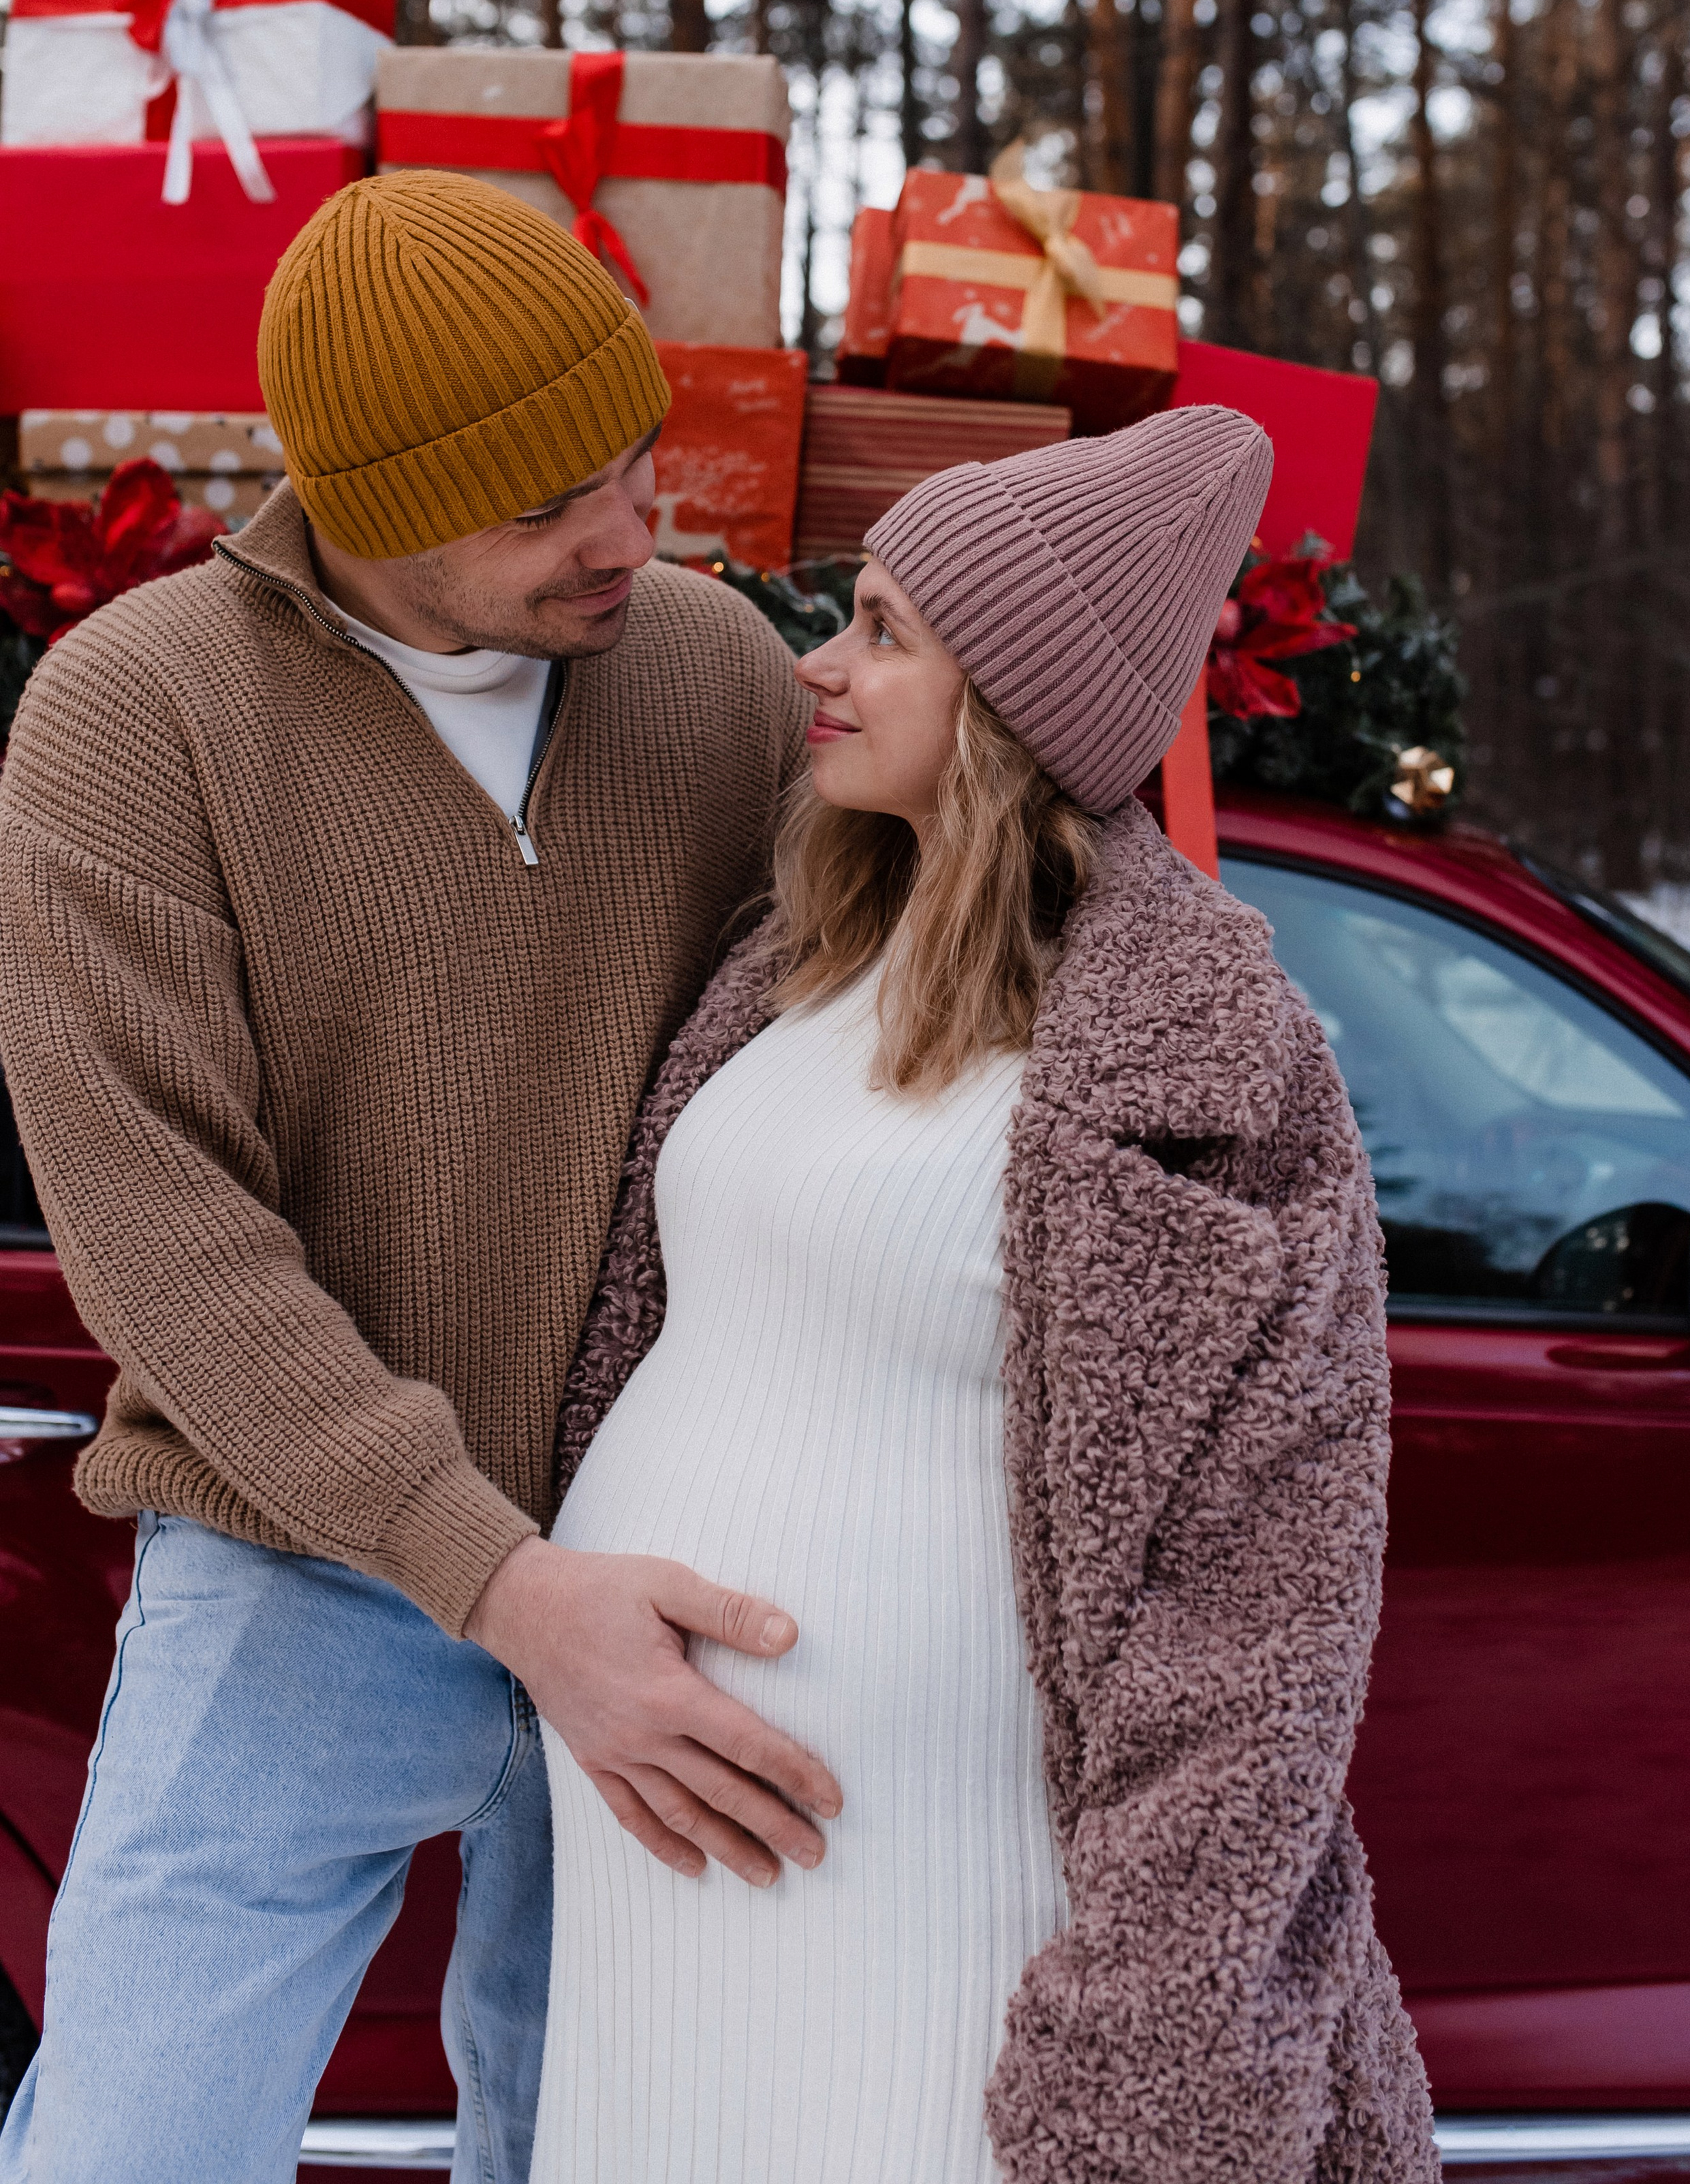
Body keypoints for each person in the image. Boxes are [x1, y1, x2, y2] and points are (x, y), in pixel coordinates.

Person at [0, 172, 840, 2184]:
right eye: (550, 505)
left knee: (597, 2140)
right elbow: (166, 1239)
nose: (629, 535)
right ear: (365, 500)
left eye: (636, 463)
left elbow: (861, 1038)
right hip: (296, 1556)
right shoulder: (137, 716)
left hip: (664, 1552)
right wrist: (487, 1573)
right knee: (133, 2145)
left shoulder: (720, 677)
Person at [538, 405, 1440, 2184]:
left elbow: (1264, 1618)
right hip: (667, 1883)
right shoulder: (797, 963)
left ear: (1014, 703)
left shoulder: (1210, 1074)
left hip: (936, 1890)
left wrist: (1151, 2034)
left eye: (885, 628)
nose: (827, 660)